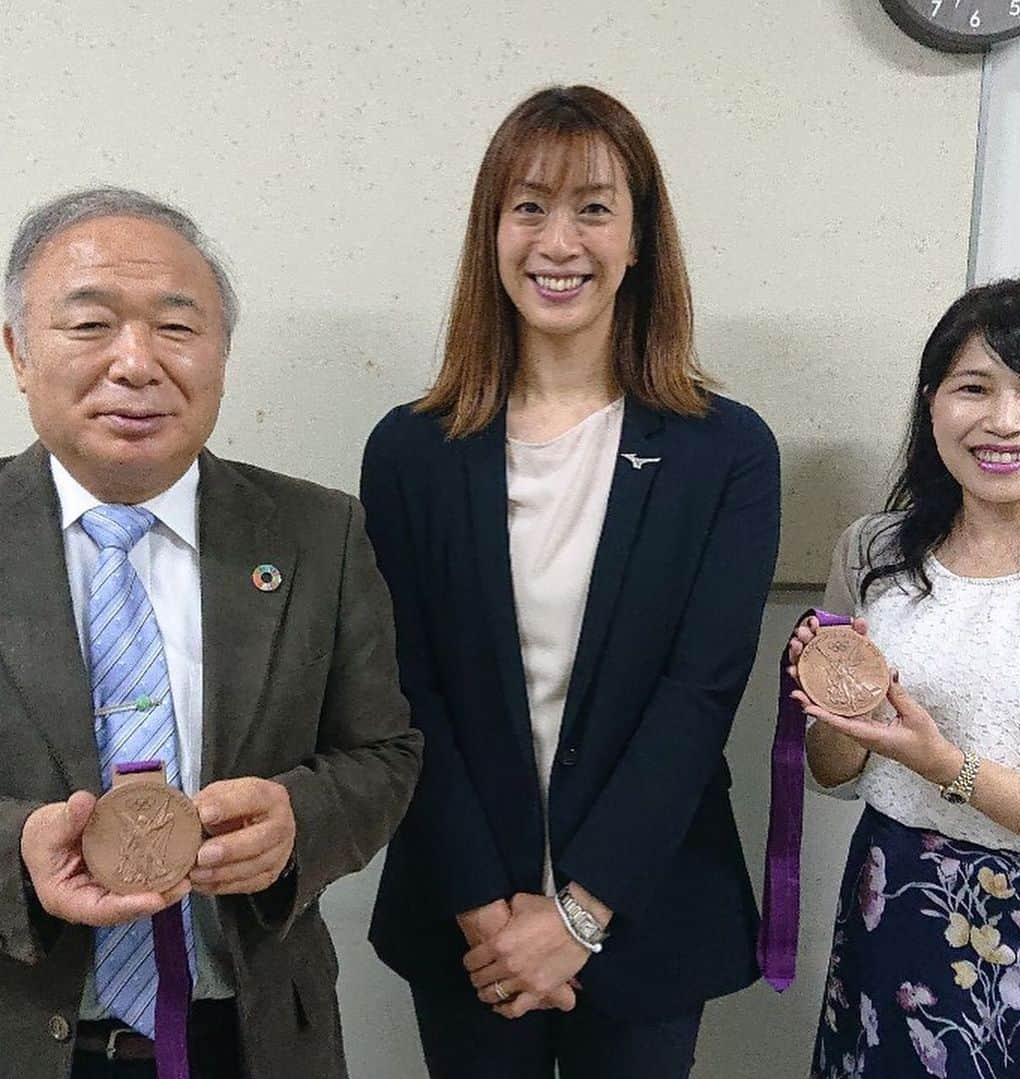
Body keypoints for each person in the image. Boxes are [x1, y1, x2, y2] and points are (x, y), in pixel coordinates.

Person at [361, 85, 780, 1079]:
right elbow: (404, 690)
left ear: (639, 240)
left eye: (594, 207)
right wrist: (490, 910)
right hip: (471, 917)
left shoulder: (725, 451)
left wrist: (579, 913)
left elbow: (701, 692)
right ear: (490, 234)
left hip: (649, 904)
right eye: (528, 206)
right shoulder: (412, 450)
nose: (560, 241)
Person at [0, 187, 422, 1079]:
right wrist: (17, 849)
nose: (136, 362)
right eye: (90, 325)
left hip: (255, 1036)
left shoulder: (318, 535)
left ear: (222, 356)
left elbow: (384, 751)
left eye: (177, 327)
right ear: (17, 352)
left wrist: (297, 821)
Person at [791, 279, 1020, 1078]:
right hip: (895, 904)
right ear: (932, 404)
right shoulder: (874, 550)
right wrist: (840, 717)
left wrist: (943, 764)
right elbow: (831, 772)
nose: (1004, 420)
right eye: (974, 387)